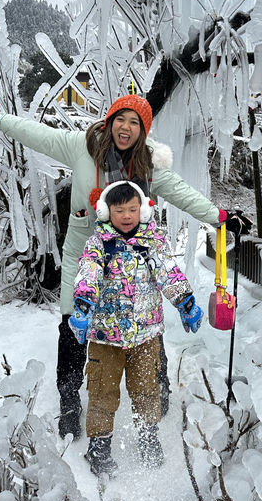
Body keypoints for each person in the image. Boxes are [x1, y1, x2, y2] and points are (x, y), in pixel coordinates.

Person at [0, 93, 251, 438]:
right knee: (72, 329)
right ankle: (69, 402)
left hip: (131, 262)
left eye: (136, 122)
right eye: (122, 119)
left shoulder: (148, 166)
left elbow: (182, 193)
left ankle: (155, 393)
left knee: (144, 328)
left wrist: (220, 217)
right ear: (110, 120)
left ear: (143, 131)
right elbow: (39, 134)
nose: (126, 127)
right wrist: (0, 119)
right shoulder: (82, 147)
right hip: (83, 257)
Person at [70, 180, 202, 476]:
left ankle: (148, 437)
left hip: (146, 336)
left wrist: (186, 302)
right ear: (106, 212)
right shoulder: (98, 243)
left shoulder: (152, 242)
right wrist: (82, 303)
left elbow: (169, 273)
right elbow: (87, 272)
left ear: (142, 211)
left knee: (146, 390)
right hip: (106, 337)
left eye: (132, 209)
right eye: (119, 210)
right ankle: (99, 446)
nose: (127, 215)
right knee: (102, 391)